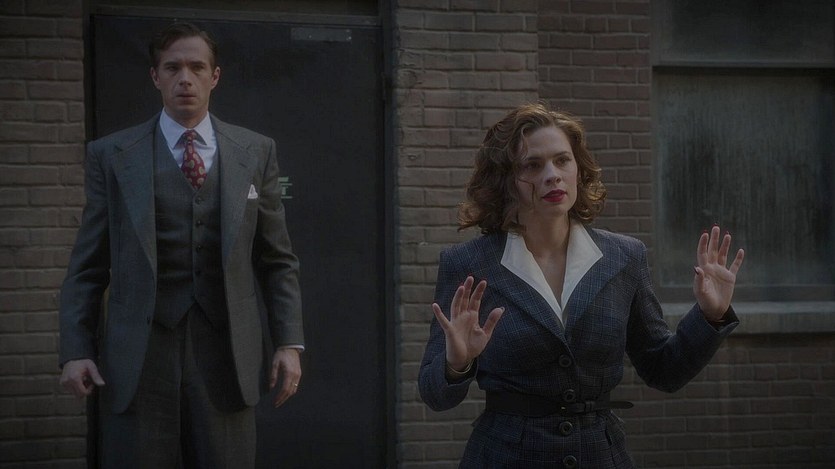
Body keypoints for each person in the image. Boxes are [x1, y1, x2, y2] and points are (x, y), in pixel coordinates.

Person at [418, 103, 745, 468]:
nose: (552, 175)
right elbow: (435, 395)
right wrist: (457, 362)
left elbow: (663, 371)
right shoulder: (468, 264)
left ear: (578, 168)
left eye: (562, 161)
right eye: (533, 165)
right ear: (506, 180)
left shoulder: (624, 256)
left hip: (599, 454)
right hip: (505, 455)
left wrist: (710, 316)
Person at [57, 22, 304, 468]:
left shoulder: (255, 151)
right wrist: (77, 349)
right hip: (139, 356)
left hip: (227, 354)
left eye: (196, 67)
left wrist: (289, 342)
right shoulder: (112, 155)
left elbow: (276, 260)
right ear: (155, 77)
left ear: (215, 76)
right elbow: (88, 266)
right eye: (172, 68)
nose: (184, 78)